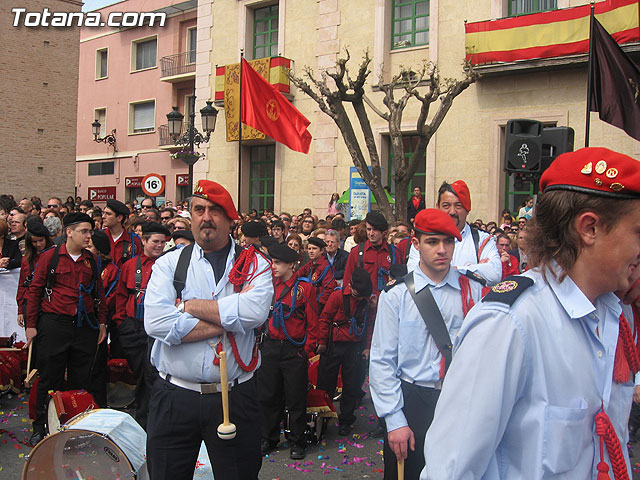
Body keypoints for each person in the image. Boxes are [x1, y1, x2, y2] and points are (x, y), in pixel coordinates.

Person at [421, 147, 640, 479]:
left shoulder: (618, 313)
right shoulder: (512, 323)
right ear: (590, 228)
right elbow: (451, 469)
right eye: (638, 232)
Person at [143, 180, 273, 479]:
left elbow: (254, 312)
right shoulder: (169, 264)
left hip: (235, 396)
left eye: (215, 210)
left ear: (230, 219)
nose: (206, 217)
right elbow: (156, 323)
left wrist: (186, 306)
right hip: (175, 396)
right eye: (198, 209)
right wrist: (228, 321)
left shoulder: (255, 264)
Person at [369, 208, 483, 479]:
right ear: (416, 244)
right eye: (433, 242)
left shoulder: (474, 290)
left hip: (459, 399)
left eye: (449, 241)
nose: (442, 249)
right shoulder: (396, 296)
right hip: (414, 402)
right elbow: (382, 360)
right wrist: (394, 420)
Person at [25, 213, 107, 446]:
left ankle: (75, 426)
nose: (89, 236)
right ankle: (41, 426)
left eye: (90, 231)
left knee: (81, 380)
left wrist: (102, 323)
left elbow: (98, 294)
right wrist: (31, 326)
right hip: (54, 325)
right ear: (68, 232)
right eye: (84, 231)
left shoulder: (91, 260)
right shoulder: (49, 257)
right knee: (49, 377)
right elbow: (35, 291)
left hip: (84, 327)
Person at [258, 243, 318, 459]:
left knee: (295, 398)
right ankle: (269, 437)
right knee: (269, 396)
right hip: (271, 347)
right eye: (272, 262)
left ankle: (297, 441)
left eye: (277, 263)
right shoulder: (268, 285)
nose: (273, 266)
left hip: (294, 350)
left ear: (291, 265)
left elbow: (313, 323)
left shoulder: (305, 287)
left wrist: (306, 350)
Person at [114, 222, 168, 428]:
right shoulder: (130, 265)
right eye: (155, 241)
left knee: (151, 374)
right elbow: (120, 295)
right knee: (141, 373)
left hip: (157, 328)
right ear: (143, 241)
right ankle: (144, 416)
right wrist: (122, 323)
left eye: (163, 242)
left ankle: (147, 419)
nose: (159, 246)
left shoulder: (168, 265)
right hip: (133, 326)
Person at [316, 267, 376, 436]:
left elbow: (369, 324)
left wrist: (367, 347)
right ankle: (324, 418)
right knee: (326, 383)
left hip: (354, 346)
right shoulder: (337, 296)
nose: (360, 298)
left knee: (351, 384)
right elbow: (325, 319)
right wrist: (321, 342)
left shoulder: (367, 301)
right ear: (350, 286)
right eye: (357, 294)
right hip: (334, 344)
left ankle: (346, 419)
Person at [409, 180, 501, 285]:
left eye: (458, 206)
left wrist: (444, 271)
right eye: (446, 206)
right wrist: (472, 269)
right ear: (437, 207)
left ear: (467, 208)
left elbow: (494, 274)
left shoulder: (483, 239)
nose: (452, 212)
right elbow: (414, 273)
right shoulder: (424, 239)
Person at [88, 229, 121, 404]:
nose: (87, 248)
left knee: (97, 369)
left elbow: (109, 298)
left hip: (99, 323)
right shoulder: (86, 264)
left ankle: (98, 403)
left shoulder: (111, 270)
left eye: (90, 246)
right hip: (83, 323)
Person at [343, 211, 400, 298]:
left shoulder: (394, 253)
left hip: (388, 302)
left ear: (383, 232)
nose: (371, 233)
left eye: (375, 230)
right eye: (369, 229)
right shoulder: (356, 252)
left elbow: (400, 281)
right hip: (363, 304)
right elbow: (347, 282)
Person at [16, 221, 53, 327]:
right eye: (34, 242)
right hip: (29, 302)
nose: (38, 244)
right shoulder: (26, 259)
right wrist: (20, 310)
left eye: (41, 240)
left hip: (47, 302)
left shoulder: (53, 256)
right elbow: (22, 284)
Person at [297, 236, 337, 314]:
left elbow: (329, 289)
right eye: (309, 249)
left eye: (314, 249)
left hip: (318, 307)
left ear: (321, 251)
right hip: (309, 302)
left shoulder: (326, 267)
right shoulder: (310, 264)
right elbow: (298, 274)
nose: (311, 251)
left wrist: (318, 304)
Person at [103, 199, 142, 268]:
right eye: (104, 213)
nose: (103, 216)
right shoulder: (98, 237)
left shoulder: (134, 241)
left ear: (119, 218)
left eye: (108, 214)